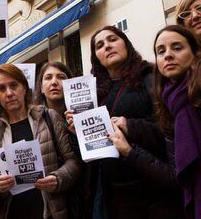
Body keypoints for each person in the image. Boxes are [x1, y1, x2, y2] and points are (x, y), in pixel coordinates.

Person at [66, 25, 179, 218]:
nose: (107, 46)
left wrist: (130, 126)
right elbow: (90, 155)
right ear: (96, 57)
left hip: (152, 190)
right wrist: (81, 133)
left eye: (112, 39)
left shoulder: (151, 77)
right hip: (113, 193)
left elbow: (170, 131)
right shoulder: (95, 94)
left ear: (125, 44)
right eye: (100, 45)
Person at [0, 64, 80, 219]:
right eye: (1, 89)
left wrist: (57, 178)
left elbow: (73, 162)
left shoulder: (48, 117)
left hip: (50, 212)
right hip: (14, 212)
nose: (9, 93)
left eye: (14, 85)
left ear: (24, 88)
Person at [152, 25, 201, 218]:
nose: (168, 55)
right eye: (161, 51)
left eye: (177, 48)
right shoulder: (168, 103)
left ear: (195, 53)